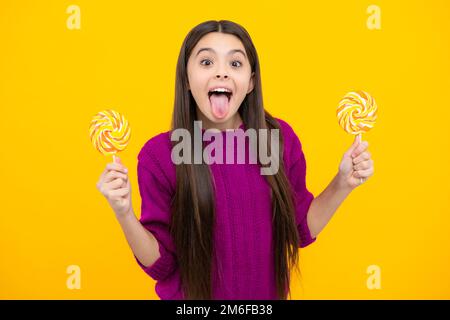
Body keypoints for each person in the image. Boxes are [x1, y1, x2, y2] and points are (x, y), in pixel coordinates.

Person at [96, 20, 374, 300]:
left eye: (235, 64)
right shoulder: (159, 156)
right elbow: (162, 263)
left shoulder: (280, 140)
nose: (221, 73)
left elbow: (300, 230)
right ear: (187, 79)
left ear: (251, 81)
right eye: (206, 62)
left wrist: (343, 183)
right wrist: (124, 213)